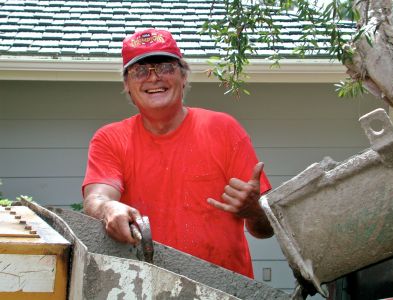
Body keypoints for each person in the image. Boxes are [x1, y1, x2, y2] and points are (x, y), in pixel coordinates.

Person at [82, 28, 274, 278]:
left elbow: (266, 228)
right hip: (145, 287)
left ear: (183, 77)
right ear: (127, 85)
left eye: (164, 67)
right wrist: (108, 209)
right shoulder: (110, 138)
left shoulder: (224, 129)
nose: (153, 78)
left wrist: (254, 211)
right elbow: (97, 198)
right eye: (140, 71)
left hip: (223, 288)